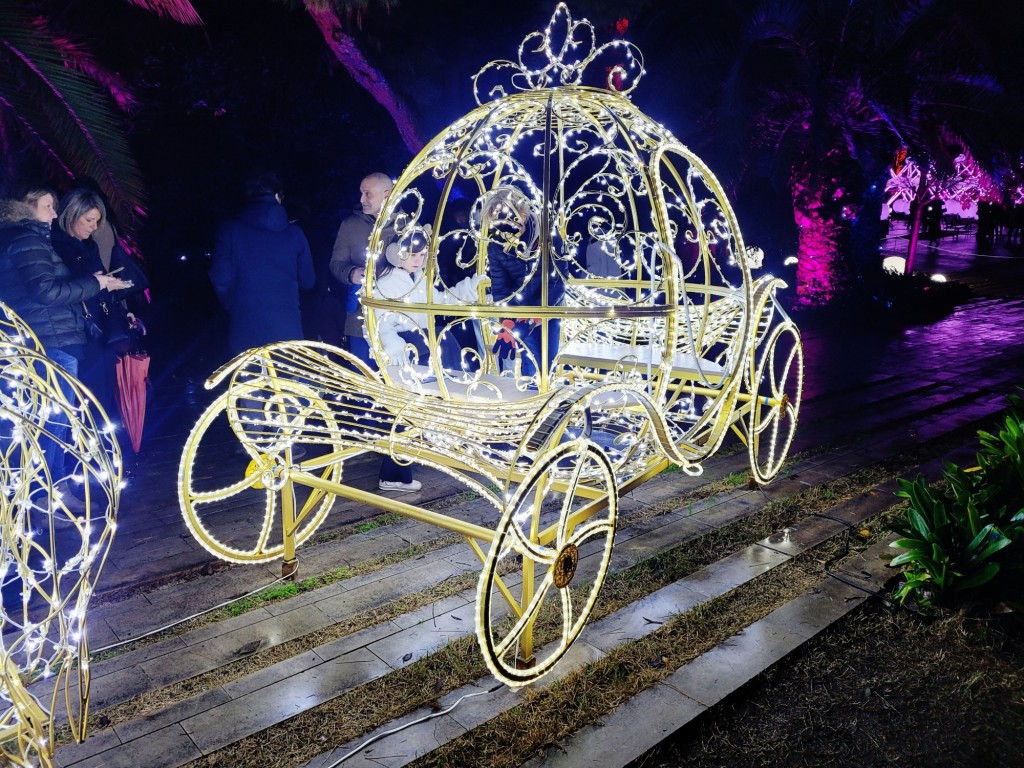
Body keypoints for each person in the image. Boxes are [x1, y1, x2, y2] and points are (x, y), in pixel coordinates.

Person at [0, 186, 131, 505]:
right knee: (53, 423)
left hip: (51, 338)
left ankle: (49, 493)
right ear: (27, 206)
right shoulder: (26, 241)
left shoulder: (26, 240)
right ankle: (47, 497)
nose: (54, 213)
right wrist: (96, 283)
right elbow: (45, 292)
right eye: (48, 206)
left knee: (51, 421)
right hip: (52, 341)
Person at [51, 188, 147, 418]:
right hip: (77, 331)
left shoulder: (88, 245)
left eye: (97, 221)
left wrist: (120, 310)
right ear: (72, 214)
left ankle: (104, 446)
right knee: (86, 397)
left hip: (100, 329)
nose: (94, 227)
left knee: (102, 395)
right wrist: (100, 284)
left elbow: (99, 282)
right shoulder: (56, 245)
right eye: (89, 220)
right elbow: (65, 289)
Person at [209, 171, 315, 357]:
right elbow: (308, 280)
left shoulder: (231, 230)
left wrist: (233, 303)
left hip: (244, 322)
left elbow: (221, 276)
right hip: (286, 323)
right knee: (286, 381)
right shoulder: (295, 234)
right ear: (277, 196)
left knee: (249, 380)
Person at [367, 225, 486, 366]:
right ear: (397, 254)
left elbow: (441, 302)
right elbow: (381, 324)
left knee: (443, 337)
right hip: (406, 343)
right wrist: (393, 345)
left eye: (422, 255)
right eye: (413, 255)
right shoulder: (386, 283)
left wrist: (469, 289)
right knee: (440, 340)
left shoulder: (420, 279)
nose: (418, 260)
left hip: (424, 341)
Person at [481, 186, 564, 381]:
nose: (504, 224)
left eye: (509, 216)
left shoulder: (548, 237)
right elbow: (501, 289)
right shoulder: (496, 246)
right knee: (530, 364)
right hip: (519, 311)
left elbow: (559, 283)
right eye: (497, 219)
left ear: (524, 212)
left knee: (547, 364)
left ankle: (546, 403)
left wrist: (533, 317)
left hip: (549, 310)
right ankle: (532, 405)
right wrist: (508, 323)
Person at [329, 172, 393, 358]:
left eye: (368, 193)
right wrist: (350, 274)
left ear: (387, 194)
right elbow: (336, 264)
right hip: (361, 322)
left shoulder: (406, 225)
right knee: (364, 377)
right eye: (361, 193)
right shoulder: (351, 225)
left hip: (398, 320)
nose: (361, 199)